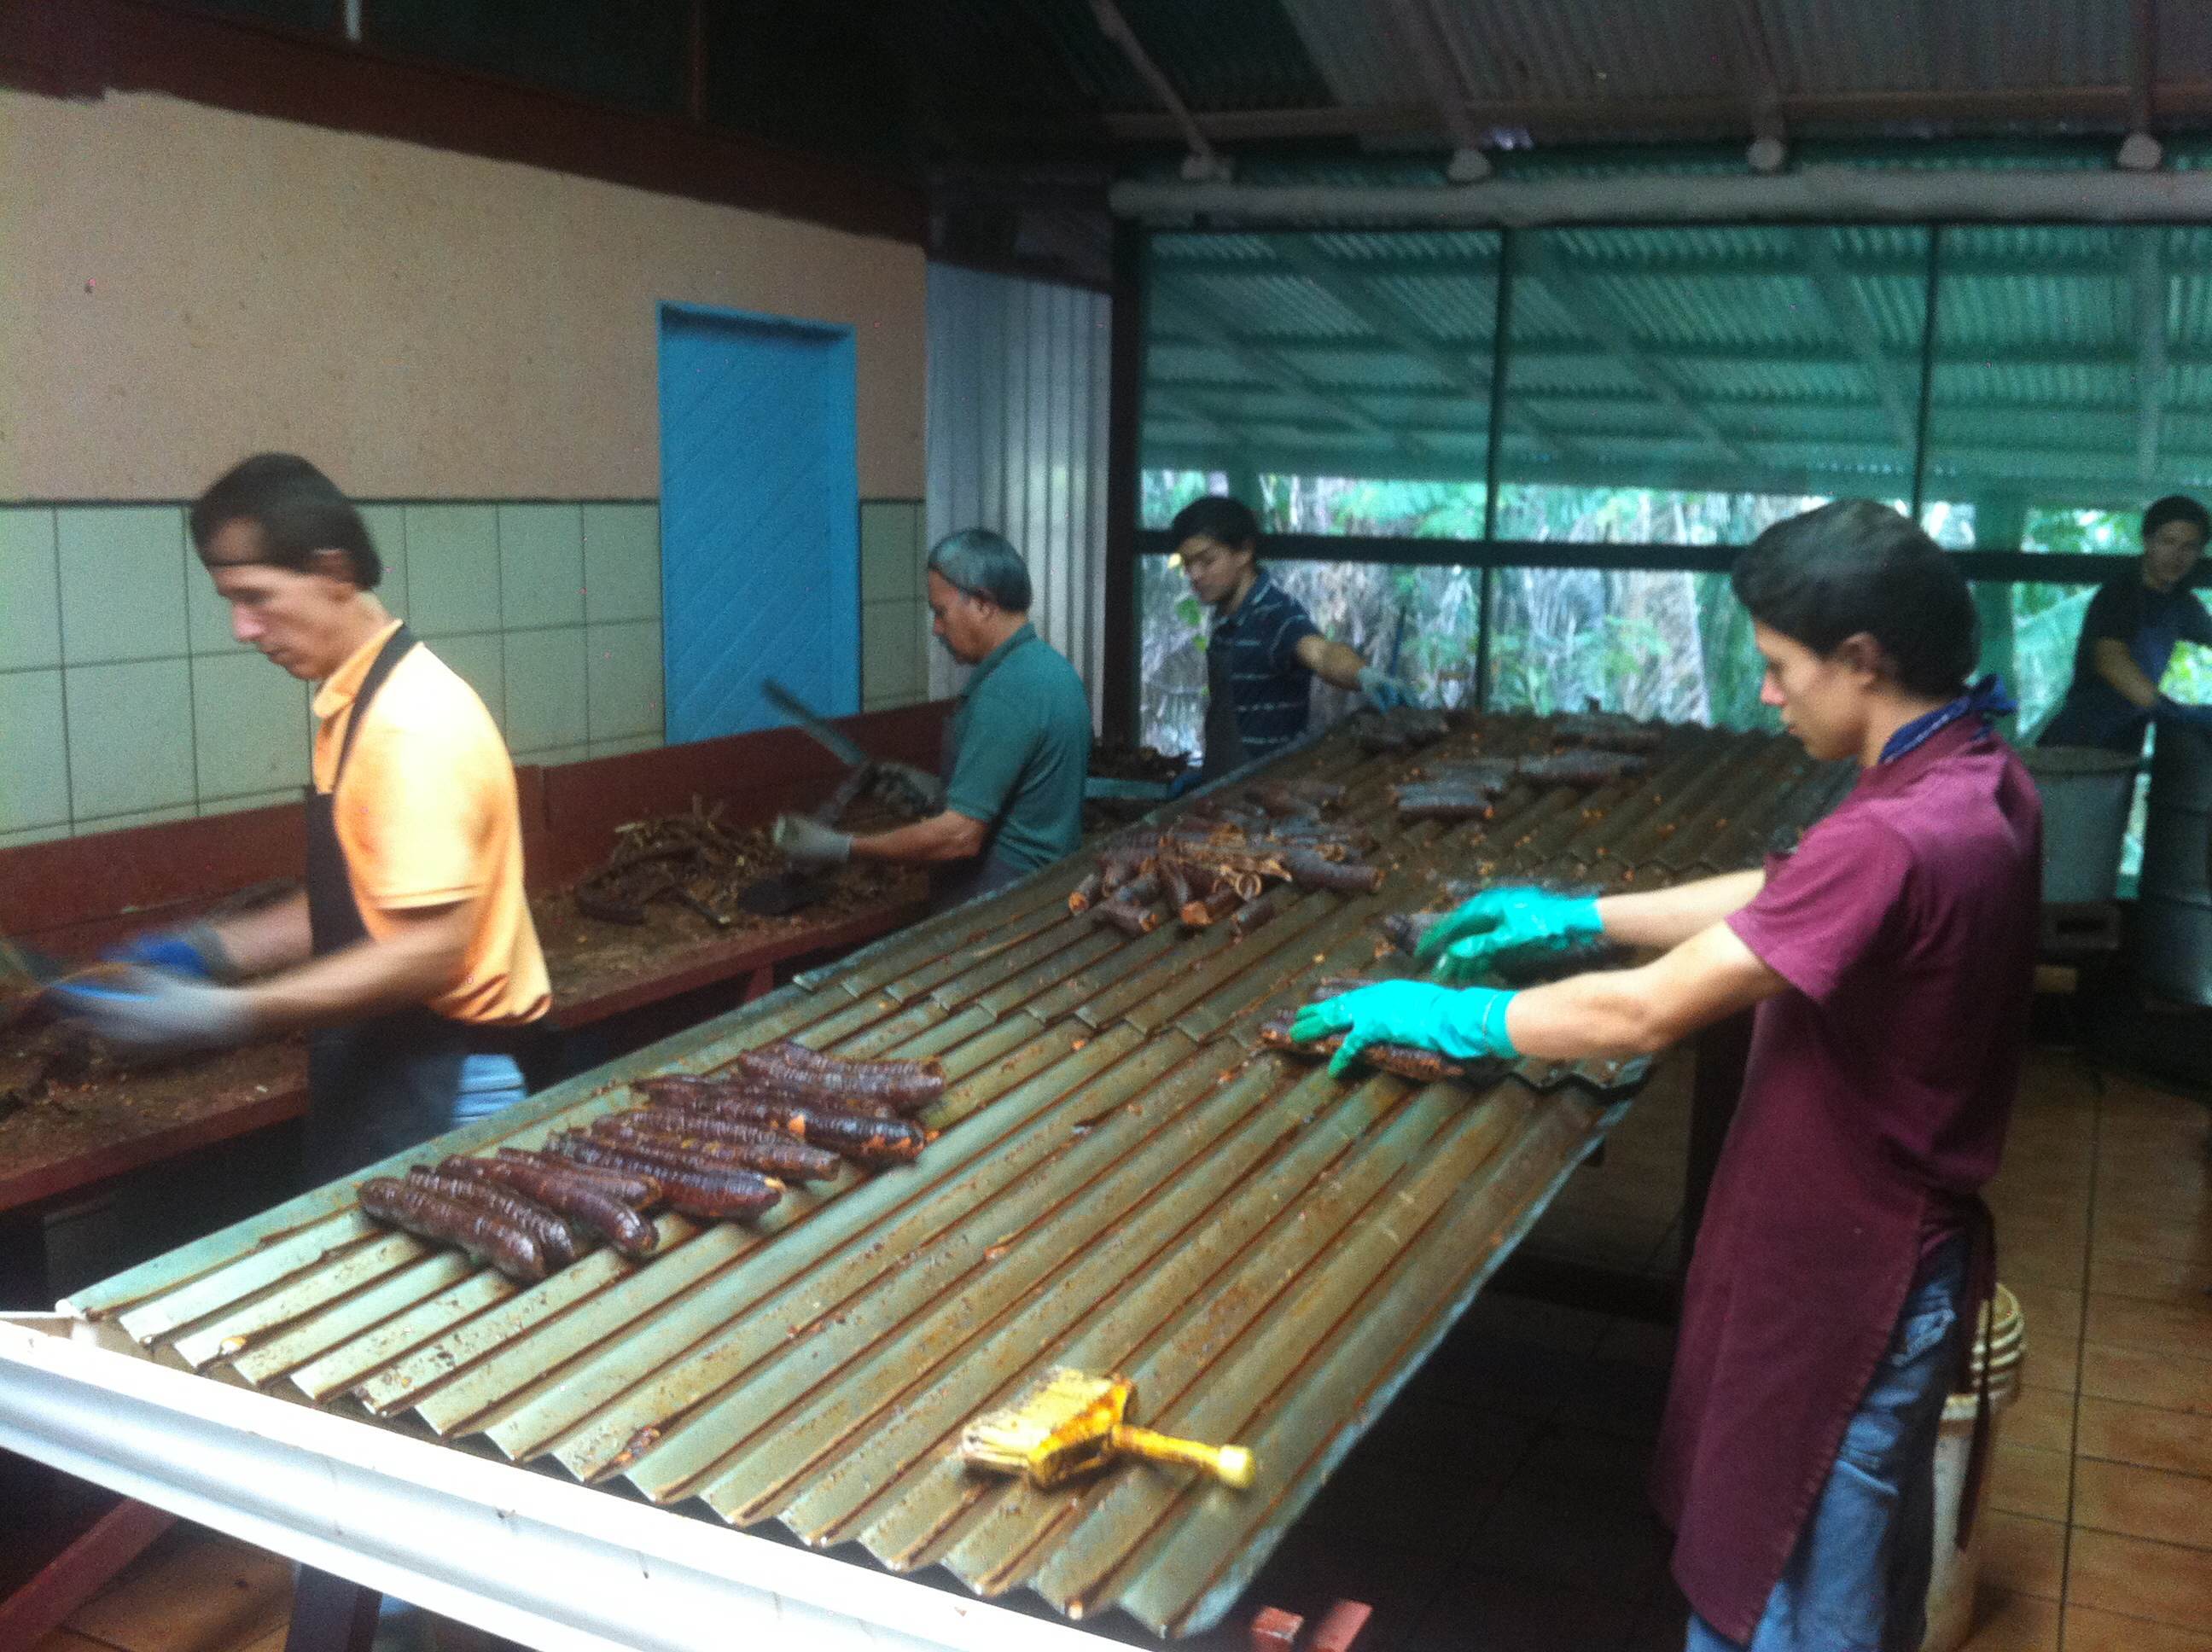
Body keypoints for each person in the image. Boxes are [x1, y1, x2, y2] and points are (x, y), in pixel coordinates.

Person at [1292, 502, 2040, 1652]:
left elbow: (1647, 1015)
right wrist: (1580, 914)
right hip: (1878, 1246)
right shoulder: (1969, 770)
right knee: (1816, 1549)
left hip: (1852, 1267)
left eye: (1783, 669)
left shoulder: (1901, 831)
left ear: (1863, 661)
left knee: (1798, 1582)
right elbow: (1786, 893)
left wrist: (1454, 1012)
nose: (1769, 695)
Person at [55, 453, 550, 1183]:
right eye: (230, 600)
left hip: (448, 1084)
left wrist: (229, 1014)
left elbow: (430, 950)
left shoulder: (408, 724)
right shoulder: (355, 704)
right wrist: (206, 953)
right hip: (397, 1068)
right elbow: (359, 910)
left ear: (335, 573)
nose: (241, 628)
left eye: (257, 597)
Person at [772, 528, 1090, 911]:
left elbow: (959, 837)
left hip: (1002, 902)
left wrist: (842, 846)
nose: (937, 629)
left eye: (941, 612)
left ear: (984, 604)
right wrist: (935, 788)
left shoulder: (1008, 690)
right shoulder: (1052, 670)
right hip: (1050, 886)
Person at [1168, 495, 1415, 783]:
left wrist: (1364, 674)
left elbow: (1321, 653)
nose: (1194, 575)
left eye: (1207, 560)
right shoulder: (1224, 620)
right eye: (1187, 564)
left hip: (1267, 793)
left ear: (1245, 551)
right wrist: (1209, 773)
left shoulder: (1276, 615)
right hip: (1224, 789)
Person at [2040, 492, 2212, 750]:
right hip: (2080, 737)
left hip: (2126, 735)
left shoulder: (2181, 604)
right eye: (2168, 542)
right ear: (2147, 541)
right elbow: (2111, 661)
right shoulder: (2120, 594)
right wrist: (2173, 711)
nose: (2177, 556)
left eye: (2189, 547)